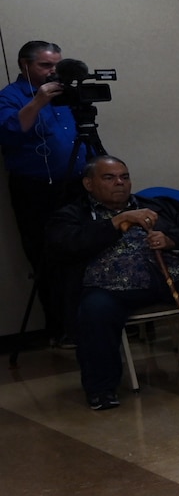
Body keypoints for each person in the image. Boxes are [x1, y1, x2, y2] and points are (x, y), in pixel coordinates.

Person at [46, 156, 179, 410]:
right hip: (111, 286)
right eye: (109, 178)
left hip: (172, 276)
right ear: (89, 183)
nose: (120, 183)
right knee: (93, 312)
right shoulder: (71, 215)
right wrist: (115, 223)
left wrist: (171, 240)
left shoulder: (158, 206)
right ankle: (101, 388)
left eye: (124, 177)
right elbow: (67, 246)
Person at [3, 41, 99, 341]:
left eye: (56, 65)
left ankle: (95, 321)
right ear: (25, 65)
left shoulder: (66, 93)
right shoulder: (11, 96)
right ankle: (61, 329)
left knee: (88, 249)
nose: (52, 72)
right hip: (36, 189)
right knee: (48, 256)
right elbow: (9, 132)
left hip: (78, 184)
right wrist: (38, 102)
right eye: (45, 65)